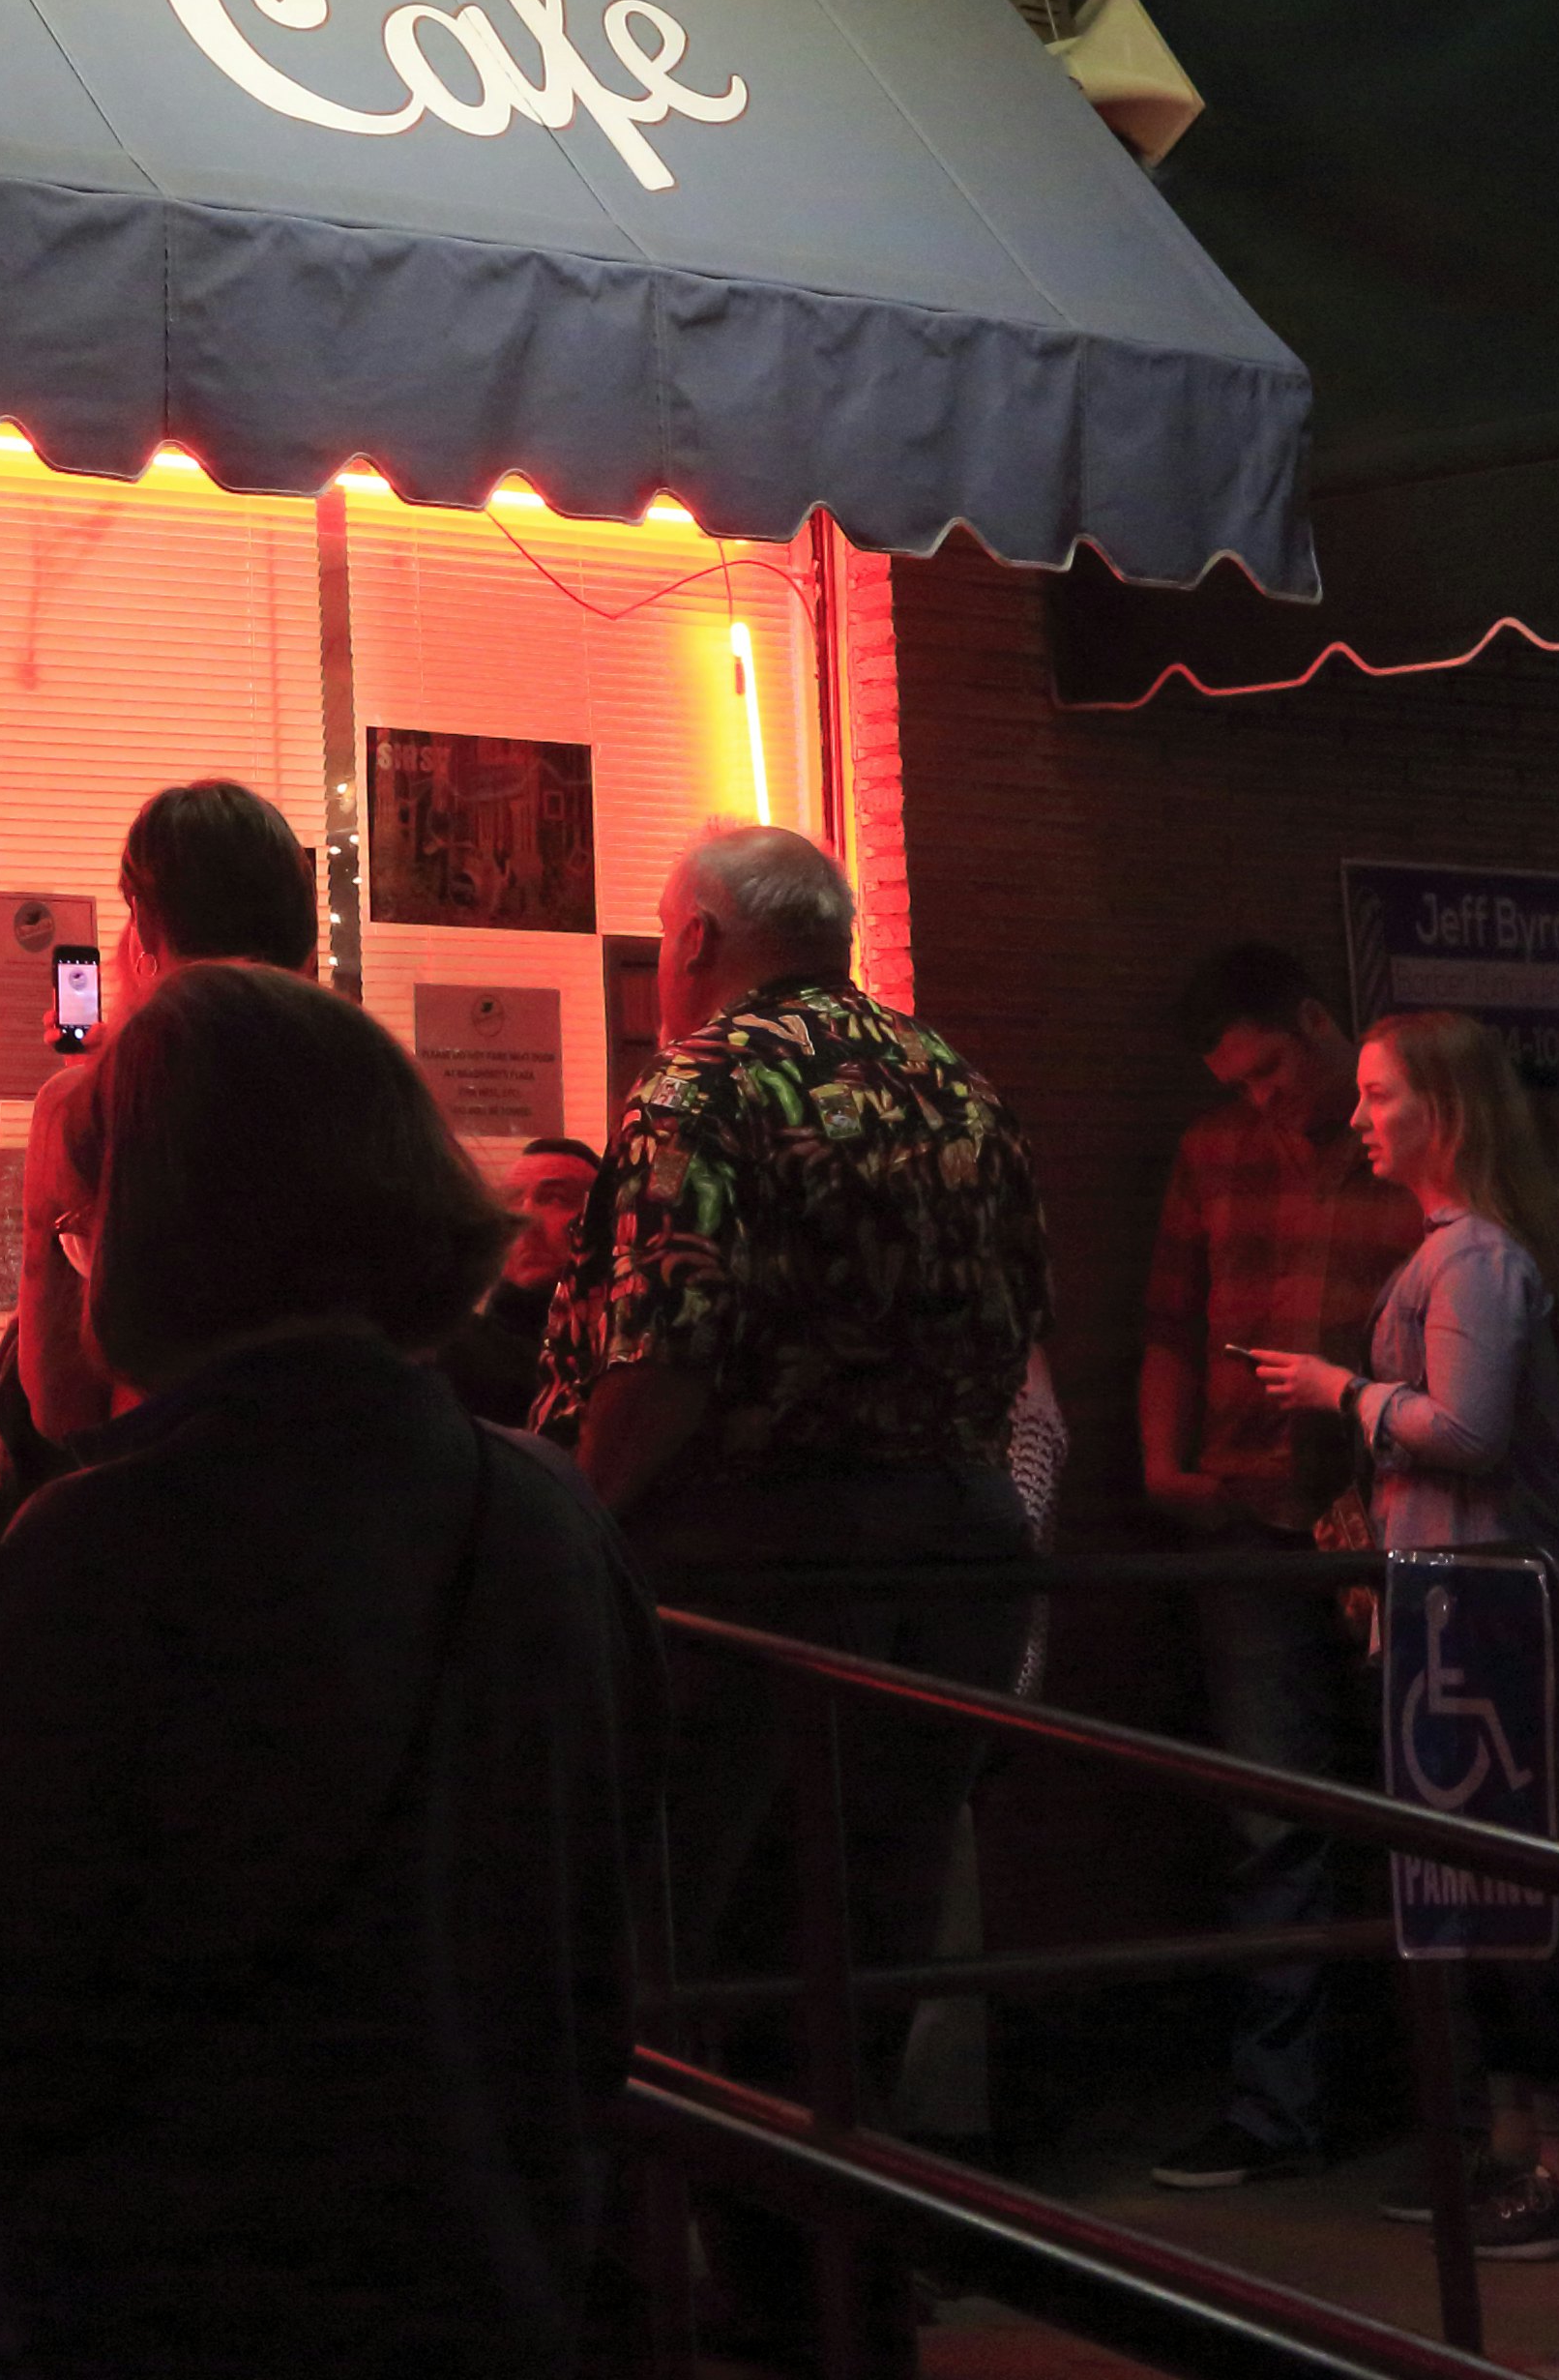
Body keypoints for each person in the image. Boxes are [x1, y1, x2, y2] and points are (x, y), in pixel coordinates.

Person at [0, 962, 665, 2380]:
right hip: (491, 2287)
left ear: (154, 1235)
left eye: (76, 1235)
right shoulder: (549, 1514)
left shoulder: (107, 1548)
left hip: (170, 2304)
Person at [542, 818, 1045, 2367]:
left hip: (751, 1573)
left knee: (675, 1959)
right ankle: (840, 2307)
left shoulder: (700, 1086)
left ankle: (664, 2311)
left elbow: (668, 1356)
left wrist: (565, 1516)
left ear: (693, 942)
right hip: (945, 1566)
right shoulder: (953, 1079)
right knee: (853, 1973)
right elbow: (1021, 1317)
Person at [1239, 1010, 1559, 2265]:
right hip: (1454, 1606)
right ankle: (1525, 2151)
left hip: (1487, 1615)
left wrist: (1336, 1391)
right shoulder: (1457, 1254)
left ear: (1443, 1113)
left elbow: (1467, 1429)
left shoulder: (1472, 1261)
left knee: (1519, 1901)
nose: (1357, 1118)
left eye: (1379, 1094)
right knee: (1479, 1900)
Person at [1135, 942, 1430, 2189]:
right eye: (1239, 1082)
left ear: (1317, 1023)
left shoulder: (1400, 1153)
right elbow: (1168, 1313)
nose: (1263, 1098)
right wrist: (1164, 1465)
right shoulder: (1213, 1152)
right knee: (1271, 1813)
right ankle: (1279, 2108)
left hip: (1387, 1513)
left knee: (1420, 1801)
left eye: (1272, 1070)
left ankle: (1449, 2101)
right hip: (1253, 1508)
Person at [9, 779, 326, 1457]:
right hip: (360, 1497)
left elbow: (62, 1404)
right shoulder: (362, 1083)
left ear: (146, 933)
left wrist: (87, 1106)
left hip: (175, 1500)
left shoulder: (93, 1110)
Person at [438, 1135, 597, 1429]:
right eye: (511, 1199)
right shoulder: (447, 1349)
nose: (523, 1218)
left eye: (556, 1198)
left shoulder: (620, 1357)